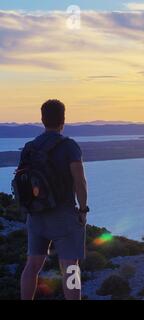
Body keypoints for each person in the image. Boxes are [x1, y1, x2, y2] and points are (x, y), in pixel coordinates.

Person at [19, 99, 89, 300]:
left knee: (32, 265)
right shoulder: (69, 146)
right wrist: (83, 211)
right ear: (63, 120)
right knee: (70, 267)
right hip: (64, 216)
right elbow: (79, 181)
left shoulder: (29, 147)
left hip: (36, 214)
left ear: (42, 120)